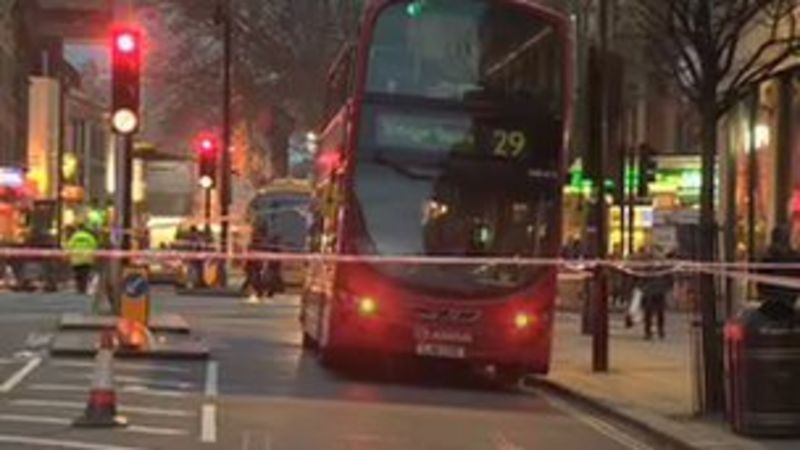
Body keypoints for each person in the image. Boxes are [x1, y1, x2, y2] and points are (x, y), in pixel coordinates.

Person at [757, 225, 800, 318]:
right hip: (788, 299)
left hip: (773, 300)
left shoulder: (767, 256)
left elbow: (761, 281)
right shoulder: (794, 257)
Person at [637, 247, 672, 340]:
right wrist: (642, 287)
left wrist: (667, 287)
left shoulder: (663, 266)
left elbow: (669, 277)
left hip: (658, 291)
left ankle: (659, 330)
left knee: (659, 312)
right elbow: (642, 277)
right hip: (650, 291)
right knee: (649, 312)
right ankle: (648, 331)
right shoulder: (648, 265)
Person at [66, 225, 99, 294]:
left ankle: (79, 288)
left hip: (76, 259)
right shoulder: (89, 237)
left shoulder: (74, 237)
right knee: (85, 274)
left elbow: (69, 247)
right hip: (87, 259)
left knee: (78, 274)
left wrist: (68, 256)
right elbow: (94, 246)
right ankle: (84, 288)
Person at [242, 230, 268, 304]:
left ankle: (257, 294)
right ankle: (256, 294)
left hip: (256, 265)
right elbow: (248, 255)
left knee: (255, 279)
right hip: (253, 265)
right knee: (253, 279)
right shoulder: (254, 245)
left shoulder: (259, 245)